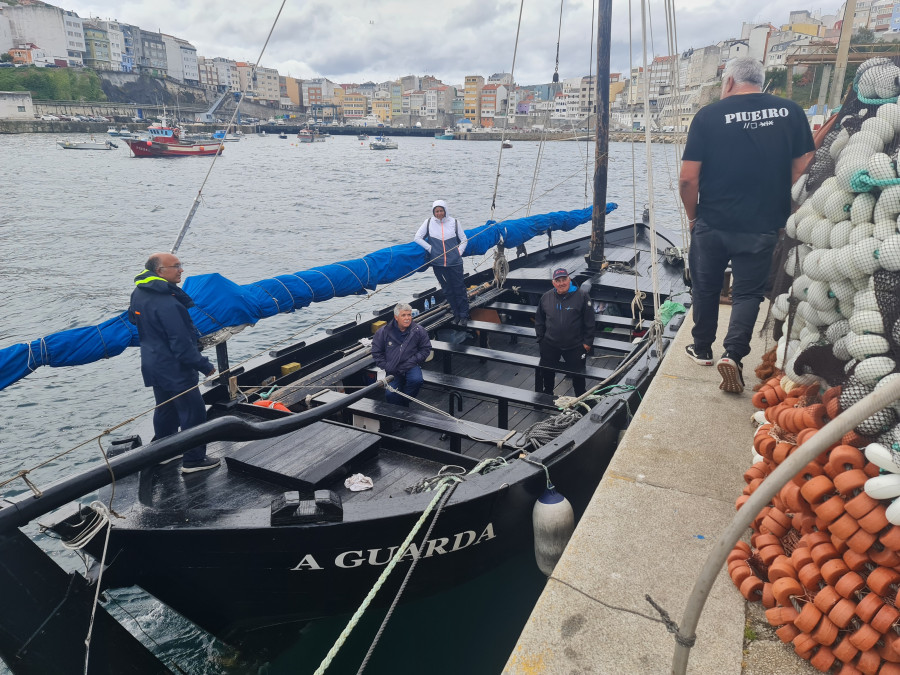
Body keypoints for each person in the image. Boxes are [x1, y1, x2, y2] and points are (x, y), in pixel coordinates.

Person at [679, 57, 814, 394]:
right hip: (763, 223)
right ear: (762, 82)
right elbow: (803, 168)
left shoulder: (708, 116)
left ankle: (702, 349)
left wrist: (693, 216)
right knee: (748, 293)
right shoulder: (791, 112)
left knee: (706, 287)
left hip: (713, 220)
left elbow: (687, 179)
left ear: (728, 83)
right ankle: (734, 354)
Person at [129, 252, 220, 474]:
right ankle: (194, 460)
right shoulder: (170, 304)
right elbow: (181, 345)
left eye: (180, 265)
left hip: (153, 364)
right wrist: (206, 367)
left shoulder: (138, 293)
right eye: (176, 266)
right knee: (193, 412)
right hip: (175, 369)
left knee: (165, 409)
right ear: (160, 272)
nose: (181, 270)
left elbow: (133, 318)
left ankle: (165, 453)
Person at [534, 268, 595, 397]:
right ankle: (548, 393)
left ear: (569, 280)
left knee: (578, 376)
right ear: (553, 283)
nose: (561, 283)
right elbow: (539, 319)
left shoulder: (582, 296)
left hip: (575, 346)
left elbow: (589, 321)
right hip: (550, 345)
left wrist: (587, 343)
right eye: (558, 280)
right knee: (547, 372)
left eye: (564, 279)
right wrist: (541, 340)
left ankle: (580, 398)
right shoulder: (546, 297)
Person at [372, 304, 432, 429]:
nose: (407, 318)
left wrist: (412, 362)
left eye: (409, 315)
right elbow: (377, 353)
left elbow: (425, 349)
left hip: (411, 364)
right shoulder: (383, 332)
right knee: (390, 395)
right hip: (393, 368)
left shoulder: (418, 330)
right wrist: (387, 365)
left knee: (416, 380)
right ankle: (399, 417)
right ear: (396, 317)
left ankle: (404, 402)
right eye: (403, 315)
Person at [414, 200, 470, 326]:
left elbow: (464, 239)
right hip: (438, 264)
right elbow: (417, 237)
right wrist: (430, 249)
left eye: (441, 211)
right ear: (433, 212)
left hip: (455, 263)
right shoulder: (428, 223)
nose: (439, 213)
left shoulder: (454, 222)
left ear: (445, 210)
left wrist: (458, 252)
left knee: (459, 288)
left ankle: (464, 315)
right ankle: (456, 314)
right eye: (436, 211)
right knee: (447, 290)